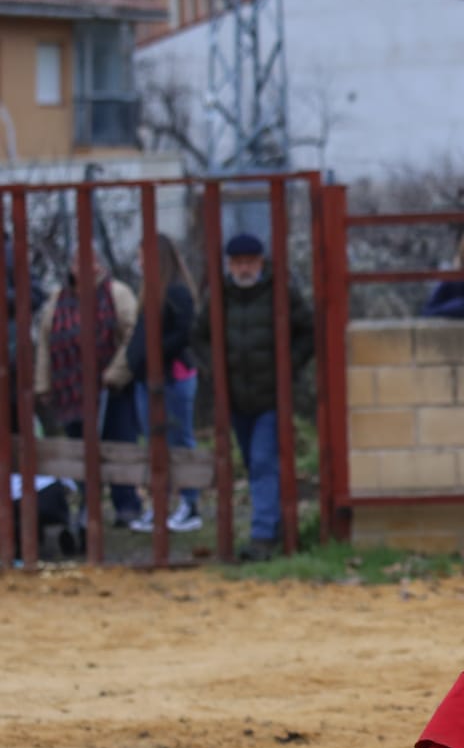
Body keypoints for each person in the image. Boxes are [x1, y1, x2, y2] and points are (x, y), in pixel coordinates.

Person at [193, 233, 315, 561]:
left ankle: (263, 535)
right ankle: (271, 524)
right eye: (238, 263)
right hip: (234, 396)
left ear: (261, 262)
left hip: (271, 395)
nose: (244, 269)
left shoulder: (281, 292)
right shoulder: (218, 295)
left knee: (262, 461)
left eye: (250, 262)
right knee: (252, 461)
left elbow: (308, 331)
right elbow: (199, 336)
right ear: (229, 264)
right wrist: (214, 367)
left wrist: (288, 365)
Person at [32, 261, 142, 527]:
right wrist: (43, 384)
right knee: (79, 450)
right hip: (72, 390)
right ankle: (87, 504)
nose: (85, 266)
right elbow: (46, 343)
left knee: (118, 443)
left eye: (92, 259)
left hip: (110, 387)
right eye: (79, 261)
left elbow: (132, 335)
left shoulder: (117, 292)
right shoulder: (59, 299)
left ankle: (126, 504)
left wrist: (116, 372)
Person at [113, 234, 202, 533]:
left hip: (172, 379)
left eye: (142, 257)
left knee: (179, 441)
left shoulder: (176, 292)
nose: (138, 263)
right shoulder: (149, 292)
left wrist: (152, 354)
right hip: (148, 380)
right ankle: (159, 504)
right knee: (154, 444)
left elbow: (184, 333)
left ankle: (190, 505)